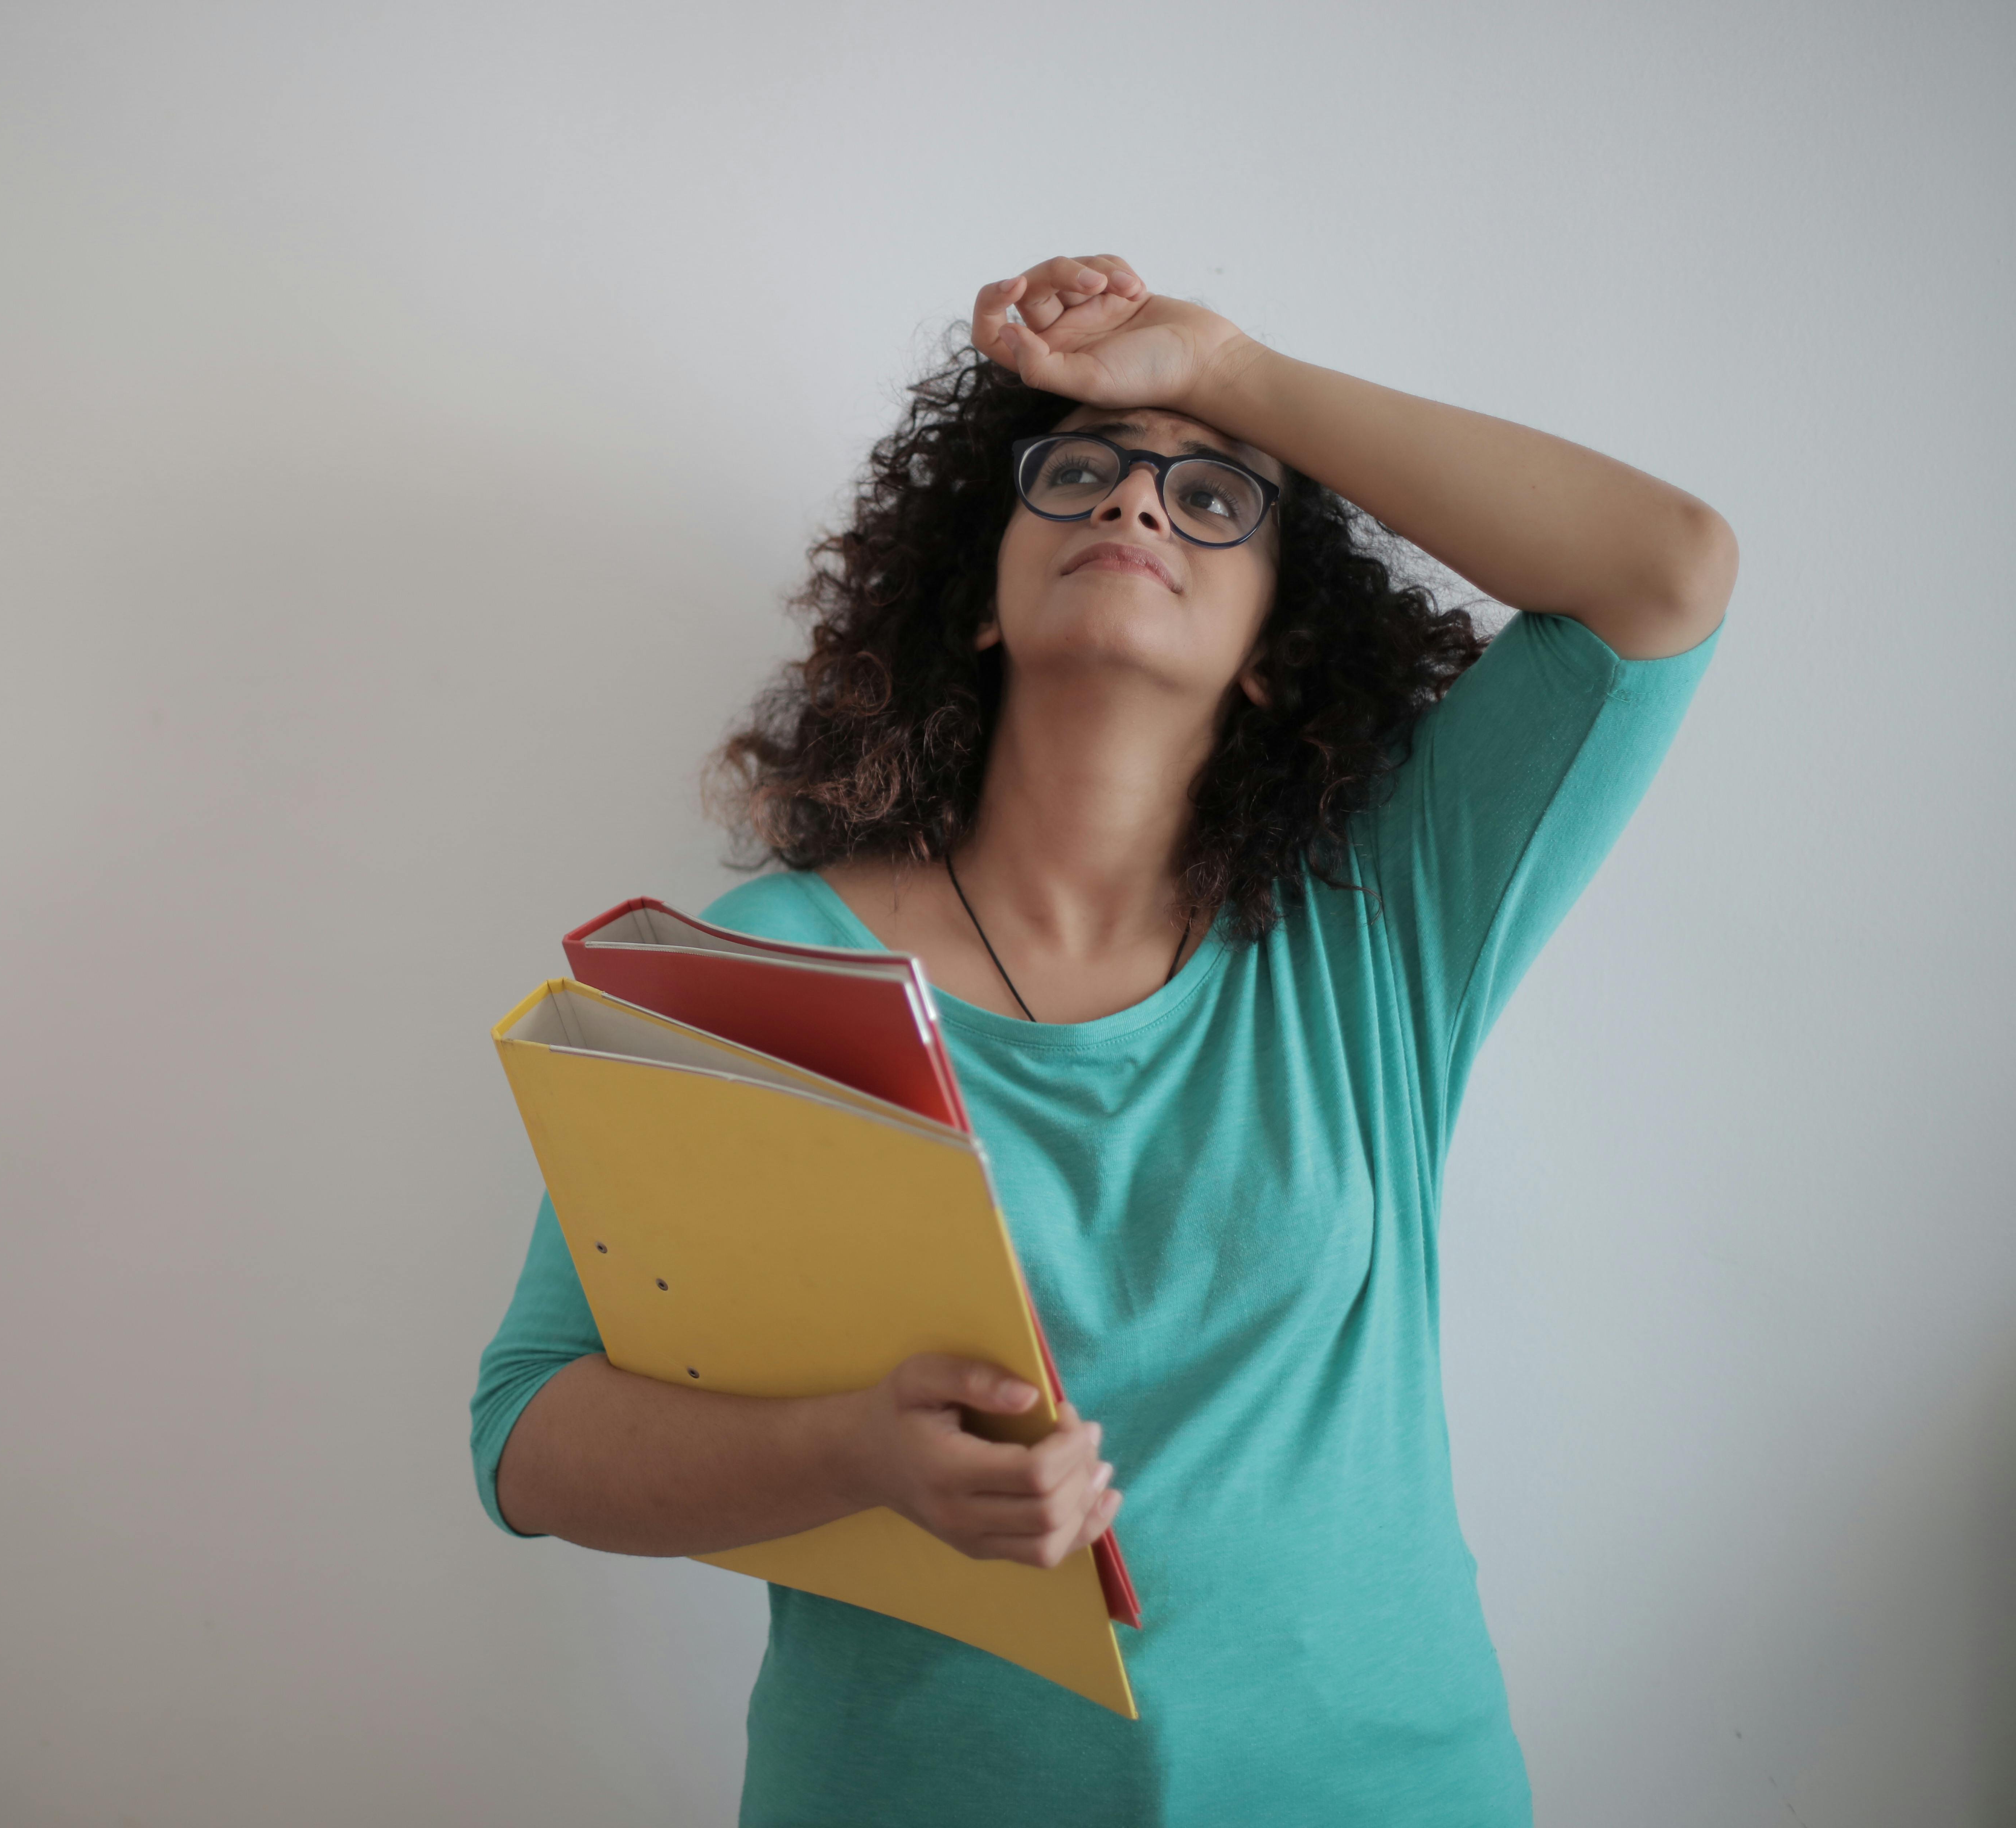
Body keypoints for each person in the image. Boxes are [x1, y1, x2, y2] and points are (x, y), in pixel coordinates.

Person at [469, 252, 1735, 1826]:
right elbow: (530, 1433)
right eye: (1079, 472)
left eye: (1213, 498)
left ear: (1277, 645)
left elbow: (1666, 571)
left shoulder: (1384, 919)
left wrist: (1222, 371)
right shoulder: (763, 971)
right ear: (980, 602)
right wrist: (856, 1451)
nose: (1136, 504)